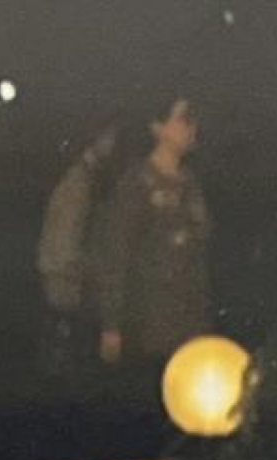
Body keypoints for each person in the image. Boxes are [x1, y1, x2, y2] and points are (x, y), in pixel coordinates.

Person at [95, 95, 212, 369]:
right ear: (158, 128)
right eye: (183, 119)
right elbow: (115, 253)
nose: (191, 128)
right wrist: (111, 325)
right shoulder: (136, 185)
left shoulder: (191, 183)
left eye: (192, 120)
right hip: (149, 329)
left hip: (190, 326)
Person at [35, 121, 120, 375]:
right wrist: (87, 272)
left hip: (64, 280)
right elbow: (66, 242)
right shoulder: (80, 183)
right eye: (108, 137)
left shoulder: (81, 179)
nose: (113, 144)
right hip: (68, 285)